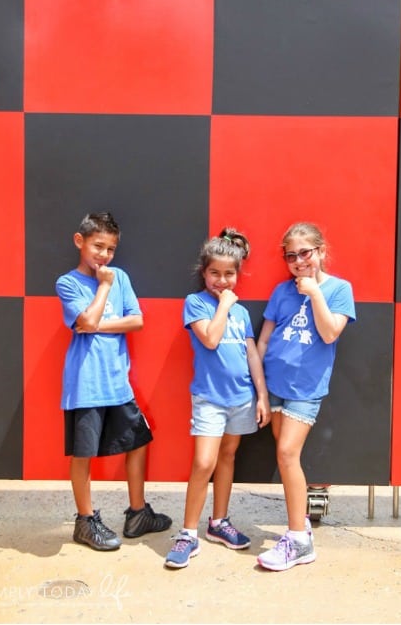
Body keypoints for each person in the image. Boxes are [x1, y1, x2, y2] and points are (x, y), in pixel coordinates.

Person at [55, 211, 171, 551]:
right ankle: (85, 520)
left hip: (117, 382)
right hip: (86, 384)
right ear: (80, 241)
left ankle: (137, 513)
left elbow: (136, 321)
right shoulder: (69, 283)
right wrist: (102, 287)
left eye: (110, 249)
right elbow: (86, 317)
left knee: (138, 441)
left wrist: (95, 324)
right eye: (97, 246)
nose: (104, 255)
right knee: (83, 454)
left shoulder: (119, 276)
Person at [165, 229, 271, 568]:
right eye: (215, 273)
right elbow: (210, 339)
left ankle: (218, 523)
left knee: (228, 457)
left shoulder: (241, 315)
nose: (222, 280)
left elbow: (252, 354)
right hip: (210, 399)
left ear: (238, 274)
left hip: (241, 398)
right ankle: (187, 534)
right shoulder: (196, 303)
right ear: (204, 272)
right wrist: (224, 304)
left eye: (229, 274)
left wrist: (262, 396)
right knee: (204, 462)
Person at [255, 222, 356, 571]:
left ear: (321, 251)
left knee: (286, 453)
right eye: (291, 255)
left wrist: (314, 292)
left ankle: (298, 539)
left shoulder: (340, 289)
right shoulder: (281, 291)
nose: (298, 261)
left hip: (305, 390)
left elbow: (330, 335)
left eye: (305, 253)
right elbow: (264, 341)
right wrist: (262, 394)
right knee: (284, 457)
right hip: (275, 386)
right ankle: (300, 530)